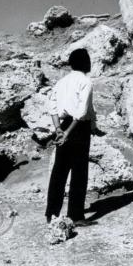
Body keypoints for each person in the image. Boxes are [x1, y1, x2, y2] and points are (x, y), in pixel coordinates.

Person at [45, 47, 97, 224]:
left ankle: (51, 213)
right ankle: (75, 216)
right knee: (79, 172)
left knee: (59, 170)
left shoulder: (61, 82)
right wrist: (68, 132)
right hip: (78, 128)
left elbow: (51, 105)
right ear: (85, 62)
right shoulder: (85, 82)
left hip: (63, 125)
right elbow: (82, 112)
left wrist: (59, 129)